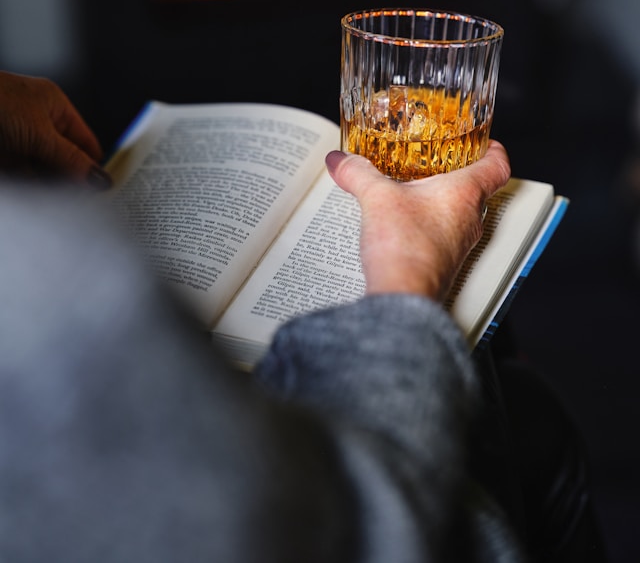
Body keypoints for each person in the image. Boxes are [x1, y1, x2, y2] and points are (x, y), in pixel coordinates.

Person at [0, 70, 604, 562]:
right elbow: (366, 529)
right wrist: (408, 275)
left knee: (522, 403)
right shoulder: (59, 294)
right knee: (524, 422)